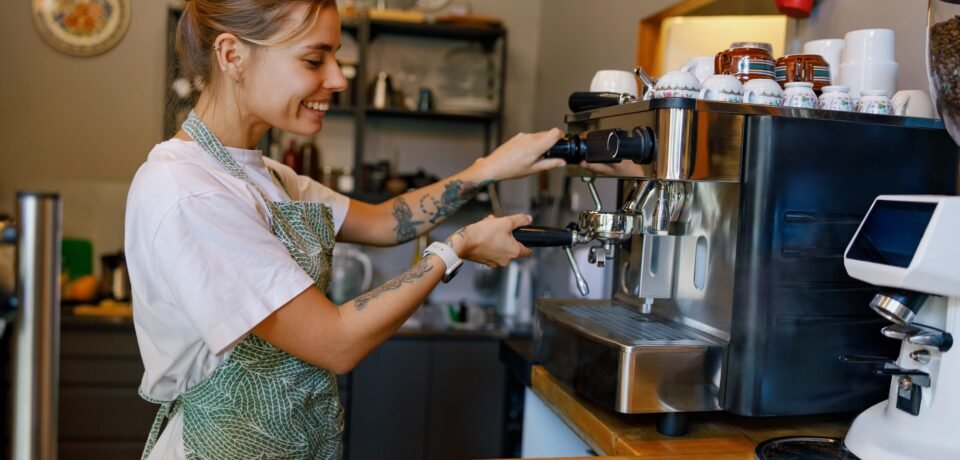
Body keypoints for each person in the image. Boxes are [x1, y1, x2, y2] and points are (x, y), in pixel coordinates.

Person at [124, 0, 564, 458]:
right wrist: (455, 249)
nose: (338, 79)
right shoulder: (188, 190)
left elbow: (383, 221)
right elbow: (337, 342)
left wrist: (489, 169)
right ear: (233, 55)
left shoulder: (271, 176)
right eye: (314, 60)